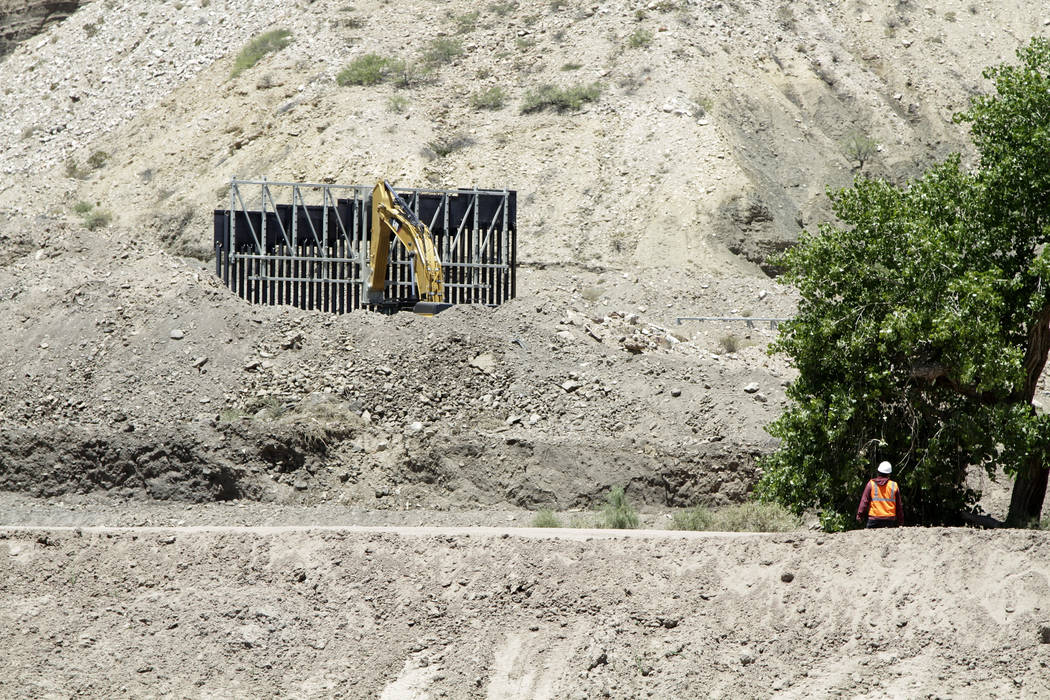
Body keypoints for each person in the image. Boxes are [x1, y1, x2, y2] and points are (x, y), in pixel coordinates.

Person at [856, 461, 903, 528]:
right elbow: (899, 505)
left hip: (874, 519)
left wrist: (860, 515)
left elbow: (864, 501)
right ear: (889, 474)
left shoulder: (871, 484)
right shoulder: (894, 485)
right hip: (889, 519)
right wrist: (900, 521)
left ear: (878, 472)